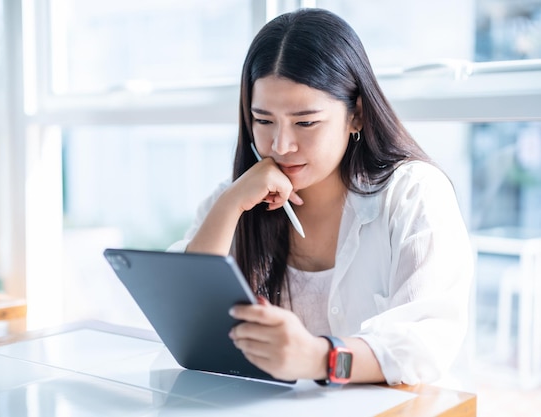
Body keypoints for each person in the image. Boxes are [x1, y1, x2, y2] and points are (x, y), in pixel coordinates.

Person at [168, 8, 473, 386]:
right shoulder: (238, 198)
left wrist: (319, 358)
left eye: (305, 122)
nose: (280, 145)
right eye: (263, 121)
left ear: (356, 115)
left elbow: (427, 345)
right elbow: (185, 320)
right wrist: (230, 205)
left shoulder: (413, 193)